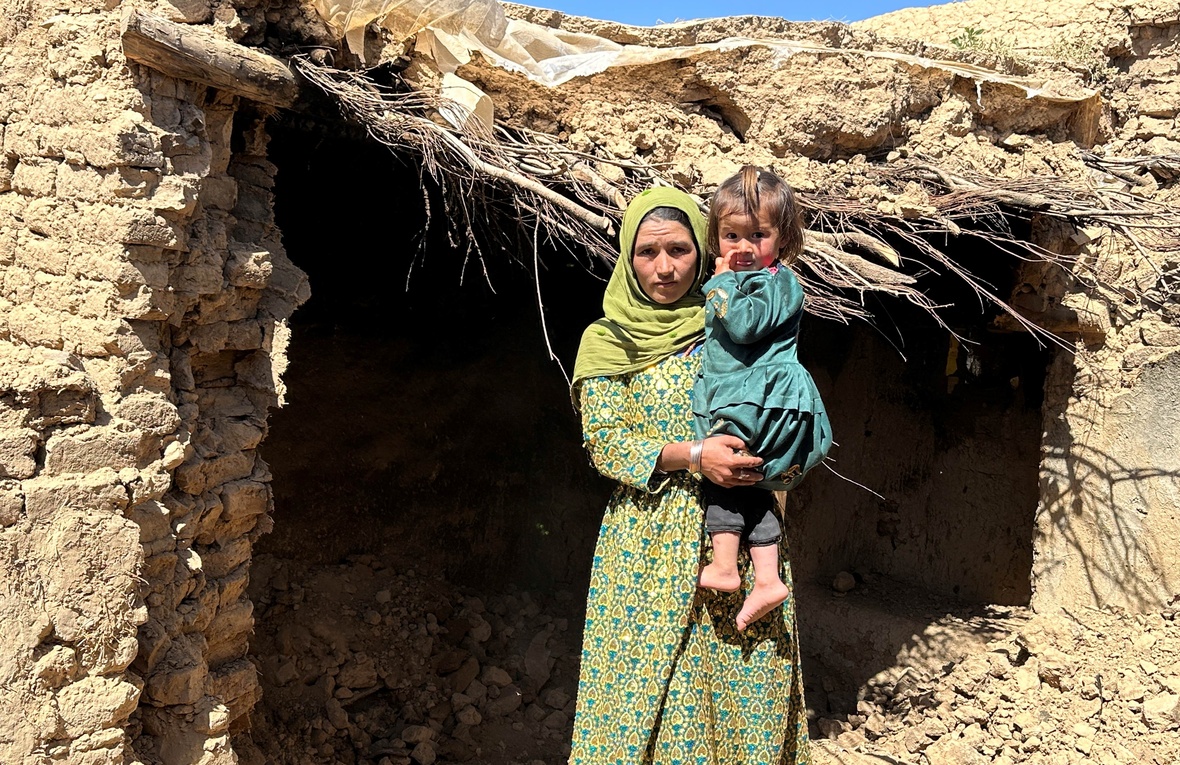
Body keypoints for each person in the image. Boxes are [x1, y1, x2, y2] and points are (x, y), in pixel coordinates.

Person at [569, 187, 811, 764]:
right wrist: (697, 455)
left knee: (739, 676)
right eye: (647, 252)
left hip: (739, 529)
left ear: (700, 254)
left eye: (679, 249)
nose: (665, 266)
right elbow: (606, 444)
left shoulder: (728, 320)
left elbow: (778, 391)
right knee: (644, 691)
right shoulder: (606, 342)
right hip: (645, 546)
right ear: (627, 256)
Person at [694, 166, 834, 632]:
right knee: (751, 485)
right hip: (749, 397)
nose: (744, 248)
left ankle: (725, 567)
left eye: (759, 235)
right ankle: (768, 579)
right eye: (731, 235)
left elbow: (745, 324)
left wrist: (717, 284)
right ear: (716, 236)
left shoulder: (777, 282)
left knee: (722, 475)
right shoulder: (755, 279)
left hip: (757, 398)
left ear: (783, 238)